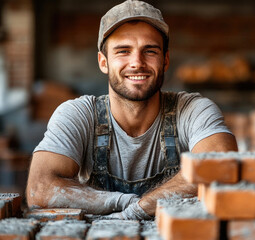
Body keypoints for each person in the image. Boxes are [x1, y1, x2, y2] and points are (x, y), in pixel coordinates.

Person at [26, 0, 238, 220]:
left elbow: (220, 166)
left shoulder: (194, 109)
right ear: (103, 62)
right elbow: (40, 189)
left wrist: (138, 210)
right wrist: (125, 202)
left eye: (150, 51)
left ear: (165, 61)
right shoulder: (79, 114)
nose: (137, 62)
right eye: (123, 51)